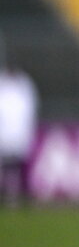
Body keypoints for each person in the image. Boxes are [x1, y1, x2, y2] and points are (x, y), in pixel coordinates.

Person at [0, 57, 38, 206]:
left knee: (21, 165)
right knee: (5, 165)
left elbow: (29, 109)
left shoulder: (24, 85)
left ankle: (24, 195)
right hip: (5, 131)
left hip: (19, 131)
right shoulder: (4, 86)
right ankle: (4, 194)